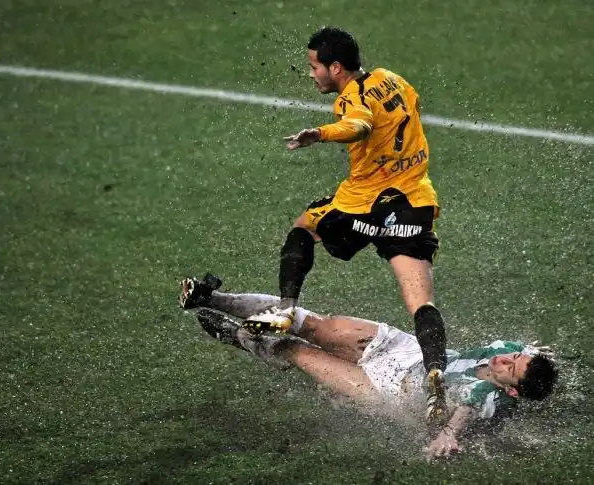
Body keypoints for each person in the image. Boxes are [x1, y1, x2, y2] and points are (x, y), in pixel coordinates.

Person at [235, 26, 449, 418]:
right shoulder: (393, 80)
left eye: (314, 66)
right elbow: (407, 113)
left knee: (304, 226)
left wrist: (320, 133)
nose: (311, 74)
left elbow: (359, 125)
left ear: (336, 68)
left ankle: (286, 308)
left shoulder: (350, 98)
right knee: (420, 301)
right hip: (412, 205)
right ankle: (436, 372)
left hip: (363, 204)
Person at [181, 284, 558, 460]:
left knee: (297, 351)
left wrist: (448, 435)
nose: (503, 361)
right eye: (514, 357)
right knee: (314, 325)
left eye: (511, 369)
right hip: (406, 351)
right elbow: (525, 351)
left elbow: (466, 408)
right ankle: (211, 296)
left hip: (386, 391)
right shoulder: (507, 352)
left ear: (511, 391)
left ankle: (239, 337)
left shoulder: (488, 398)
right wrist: (541, 356)